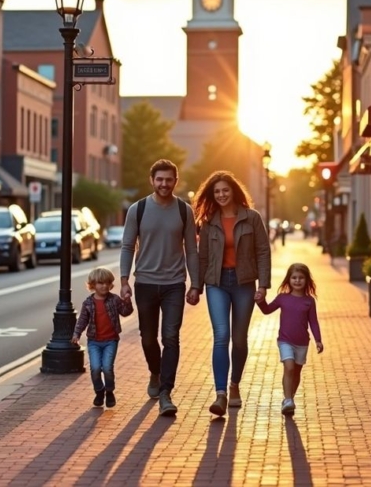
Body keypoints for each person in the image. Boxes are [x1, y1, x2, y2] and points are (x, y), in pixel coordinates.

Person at [120, 159, 201, 417]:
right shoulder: (138, 209)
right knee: (147, 338)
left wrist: (195, 284)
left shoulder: (184, 210)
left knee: (171, 337)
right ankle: (155, 372)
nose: (164, 184)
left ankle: (166, 392)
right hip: (144, 282)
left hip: (174, 285)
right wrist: (124, 281)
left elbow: (192, 249)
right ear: (152, 180)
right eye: (159, 179)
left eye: (169, 179)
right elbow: (127, 246)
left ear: (175, 181)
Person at [194, 171, 271, 416]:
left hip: (244, 283)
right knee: (221, 335)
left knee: (239, 339)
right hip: (216, 283)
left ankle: (234, 384)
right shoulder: (208, 222)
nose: (221, 195)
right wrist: (196, 286)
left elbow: (263, 252)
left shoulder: (252, 218)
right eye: (216, 192)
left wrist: (263, 285)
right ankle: (220, 394)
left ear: (234, 191)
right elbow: (202, 256)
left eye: (225, 190)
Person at [256, 262, 324, 415]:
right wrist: (260, 301)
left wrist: (318, 340)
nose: (297, 281)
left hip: (302, 343)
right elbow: (267, 310)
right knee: (289, 367)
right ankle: (288, 399)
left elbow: (313, 321)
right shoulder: (282, 298)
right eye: (294, 277)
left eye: (301, 278)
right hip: (285, 341)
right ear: (288, 280)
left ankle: (290, 398)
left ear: (306, 280)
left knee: (297, 372)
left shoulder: (309, 301)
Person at [71, 267, 134, 409]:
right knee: (95, 368)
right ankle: (99, 391)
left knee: (107, 368)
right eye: (100, 283)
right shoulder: (88, 303)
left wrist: (127, 300)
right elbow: (82, 320)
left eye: (107, 283)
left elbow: (126, 312)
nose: (104, 286)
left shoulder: (114, 300)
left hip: (111, 341)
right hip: (94, 342)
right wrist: (76, 334)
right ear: (93, 285)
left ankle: (109, 391)